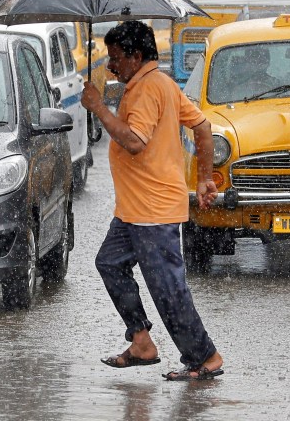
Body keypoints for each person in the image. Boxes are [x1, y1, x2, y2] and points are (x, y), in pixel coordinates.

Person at [80, 20, 225, 382]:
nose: (111, 66)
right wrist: (204, 177)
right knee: (110, 264)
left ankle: (204, 357)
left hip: (152, 211)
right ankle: (142, 342)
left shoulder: (147, 89)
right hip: (133, 211)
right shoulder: (158, 83)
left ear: (136, 56)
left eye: (116, 58)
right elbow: (203, 127)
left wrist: (99, 108)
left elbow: (134, 141)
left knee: (167, 288)